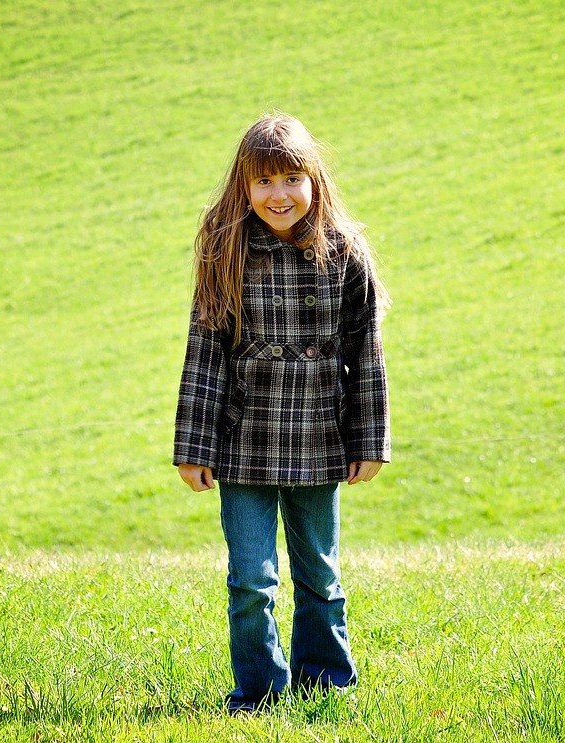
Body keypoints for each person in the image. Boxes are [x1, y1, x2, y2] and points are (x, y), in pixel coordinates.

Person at [173, 113, 391, 714]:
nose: (279, 194)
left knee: (319, 573)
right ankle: (260, 693)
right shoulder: (226, 251)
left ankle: (326, 682)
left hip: (320, 439)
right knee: (251, 580)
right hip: (242, 442)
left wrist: (368, 440)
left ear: (314, 180)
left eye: (291, 178)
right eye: (264, 181)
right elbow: (205, 353)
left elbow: (364, 351)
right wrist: (194, 447)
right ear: (243, 186)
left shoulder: (346, 252)